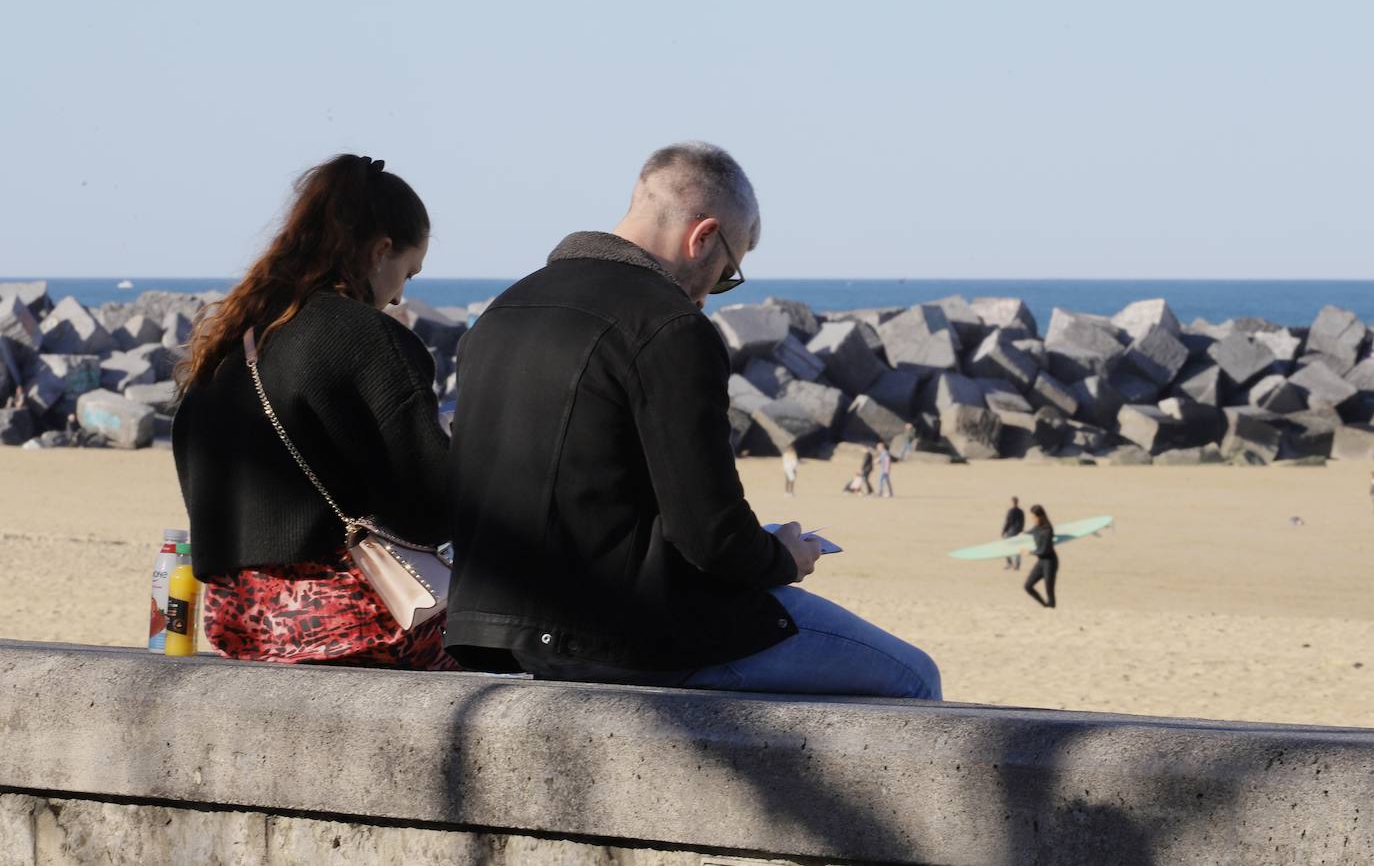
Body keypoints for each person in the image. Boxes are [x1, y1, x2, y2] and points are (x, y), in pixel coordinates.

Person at [443, 141, 940, 699]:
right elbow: (709, 533)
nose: (711, 295)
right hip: (622, 635)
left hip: (490, 630)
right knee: (914, 677)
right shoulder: (669, 326)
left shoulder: (502, 312)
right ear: (702, 236)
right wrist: (783, 557)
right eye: (726, 274)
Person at [172, 154, 457, 670]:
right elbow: (432, 501)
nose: (397, 298)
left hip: (241, 624)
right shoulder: (368, 338)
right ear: (380, 250)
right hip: (354, 623)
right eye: (407, 274)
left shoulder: (234, 341)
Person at [1021, 504, 1058, 608]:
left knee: (1049, 590)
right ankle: (1045, 606)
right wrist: (1023, 534)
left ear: (1041, 516)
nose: (1033, 519)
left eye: (1034, 517)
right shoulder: (1037, 527)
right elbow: (1032, 532)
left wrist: (1029, 552)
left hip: (1050, 561)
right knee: (1028, 586)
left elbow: (1044, 551)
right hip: (1041, 561)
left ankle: (1051, 608)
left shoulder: (1048, 530)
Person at [1002, 496, 1025, 571]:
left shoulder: (1010, 511)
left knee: (1006, 547)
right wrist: (1021, 530)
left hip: (1011, 531)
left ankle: (1009, 563)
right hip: (1018, 531)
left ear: (1012, 502)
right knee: (1018, 548)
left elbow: (1008, 522)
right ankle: (1017, 565)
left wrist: (1004, 531)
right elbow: (1023, 522)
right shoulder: (1021, 511)